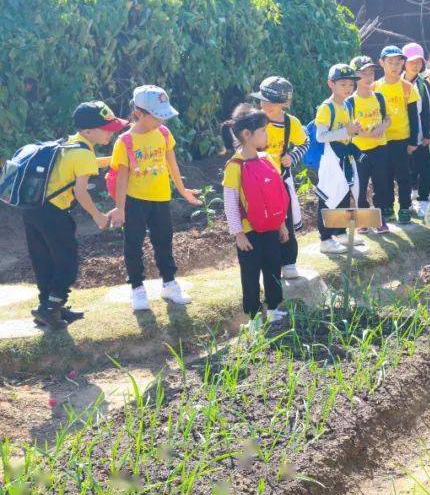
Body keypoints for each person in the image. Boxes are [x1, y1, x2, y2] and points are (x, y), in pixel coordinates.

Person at [23, 102, 126, 328]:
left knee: (44, 260)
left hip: (33, 210)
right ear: (89, 131)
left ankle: (47, 307)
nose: (111, 131)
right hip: (54, 214)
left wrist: (110, 161)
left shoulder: (70, 144)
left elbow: (77, 166)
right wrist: (98, 215)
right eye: (106, 128)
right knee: (67, 262)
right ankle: (51, 308)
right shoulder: (83, 154)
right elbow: (80, 192)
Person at [111, 85, 201, 312]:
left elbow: (172, 164)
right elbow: (122, 178)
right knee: (133, 243)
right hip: (135, 201)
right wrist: (120, 208)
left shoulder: (163, 134)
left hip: (161, 198)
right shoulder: (125, 141)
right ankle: (137, 289)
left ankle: (169, 284)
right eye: (157, 116)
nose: (162, 120)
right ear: (139, 113)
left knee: (164, 241)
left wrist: (182, 190)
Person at [220, 104, 289, 326]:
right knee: (250, 275)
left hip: (270, 228)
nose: (266, 135)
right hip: (248, 233)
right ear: (247, 135)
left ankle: (274, 308)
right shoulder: (234, 166)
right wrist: (238, 233)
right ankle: (254, 316)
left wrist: (281, 224)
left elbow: (276, 194)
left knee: (273, 268)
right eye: (263, 131)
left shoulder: (267, 159)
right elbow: (230, 202)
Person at [251, 76, 308, 278]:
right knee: (262, 223)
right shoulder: (255, 120)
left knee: (286, 219)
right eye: (263, 101)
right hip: (257, 182)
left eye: (272, 103)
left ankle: (289, 261)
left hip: (280, 180)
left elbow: (304, 143)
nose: (266, 106)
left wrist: (292, 157)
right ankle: (267, 263)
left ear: (284, 103)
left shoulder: (291, 123)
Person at [314, 64, 363, 253]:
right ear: (331, 84)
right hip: (331, 159)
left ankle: (341, 232)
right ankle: (325, 238)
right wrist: (346, 130)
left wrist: (353, 131)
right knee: (327, 195)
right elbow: (321, 136)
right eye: (343, 84)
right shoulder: (326, 108)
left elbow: (347, 132)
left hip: (344, 156)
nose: (348, 88)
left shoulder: (348, 105)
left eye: (351, 84)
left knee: (344, 193)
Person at [374, 46, 421, 224]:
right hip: (381, 140)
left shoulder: (407, 87)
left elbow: (413, 117)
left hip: (402, 139)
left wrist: (413, 141)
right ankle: (387, 207)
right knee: (384, 175)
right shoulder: (375, 87)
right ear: (382, 63)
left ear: (403, 63)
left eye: (398, 62)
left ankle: (404, 207)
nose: (395, 66)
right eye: (390, 62)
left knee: (403, 175)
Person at [350, 57, 392, 230]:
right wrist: (366, 133)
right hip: (359, 151)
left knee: (381, 184)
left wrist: (382, 126)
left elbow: (388, 119)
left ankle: (380, 218)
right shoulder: (350, 102)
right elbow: (349, 127)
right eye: (363, 73)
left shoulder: (380, 97)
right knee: (360, 186)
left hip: (380, 148)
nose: (368, 77)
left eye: (371, 73)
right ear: (354, 76)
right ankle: (364, 220)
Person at [403, 43, 430, 218]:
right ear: (404, 62)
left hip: (420, 134)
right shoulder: (397, 83)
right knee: (405, 168)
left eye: (419, 62)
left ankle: (423, 199)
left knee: (423, 167)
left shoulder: (423, 85)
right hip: (401, 134)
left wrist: (428, 134)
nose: (415, 65)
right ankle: (406, 199)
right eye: (411, 62)